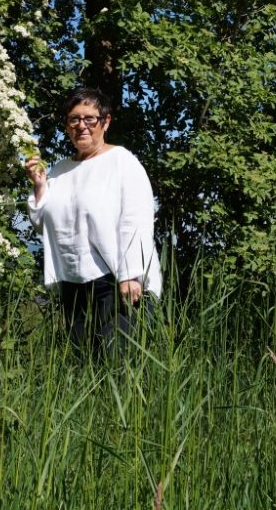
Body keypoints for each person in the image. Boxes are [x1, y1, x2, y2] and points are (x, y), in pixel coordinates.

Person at [25, 87, 161, 356]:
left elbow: (136, 220)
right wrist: (40, 187)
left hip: (114, 281)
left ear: (105, 122)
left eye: (90, 119)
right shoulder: (60, 170)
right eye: (74, 119)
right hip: (73, 284)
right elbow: (47, 226)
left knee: (117, 365)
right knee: (82, 363)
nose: (82, 126)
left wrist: (131, 274)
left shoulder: (122, 162)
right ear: (67, 125)